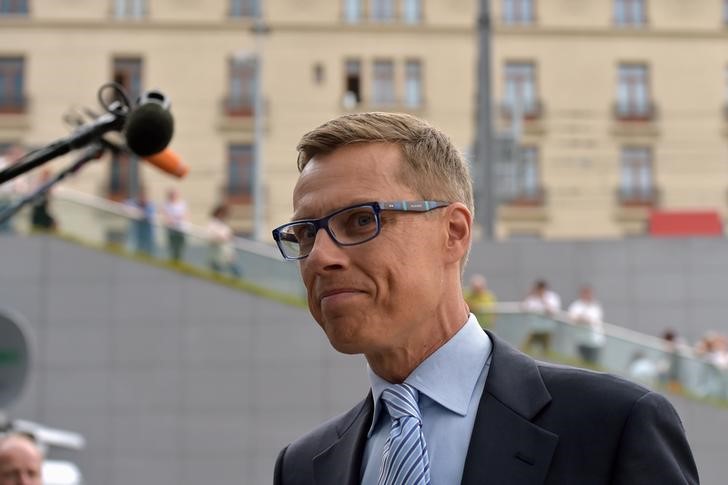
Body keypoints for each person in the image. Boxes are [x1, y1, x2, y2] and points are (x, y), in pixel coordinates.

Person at [271, 112, 698, 484]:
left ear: (453, 232)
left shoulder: (614, 427)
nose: (320, 256)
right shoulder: (303, 467)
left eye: (361, 220)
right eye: (305, 233)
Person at [520, 279, 561, 355]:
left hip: (547, 330)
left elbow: (553, 311)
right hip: (534, 329)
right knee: (524, 349)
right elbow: (524, 308)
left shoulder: (552, 297)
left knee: (547, 352)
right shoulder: (532, 297)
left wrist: (543, 299)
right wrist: (529, 294)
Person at [567, 285, 605, 365]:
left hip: (595, 342)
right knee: (581, 365)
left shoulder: (596, 306)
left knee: (593, 365)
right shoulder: (576, 305)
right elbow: (573, 318)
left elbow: (594, 321)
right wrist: (583, 319)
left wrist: (583, 319)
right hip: (581, 340)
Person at [206, 204, 241, 277]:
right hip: (216, 254)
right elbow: (209, 237)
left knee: (236, 272)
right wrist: (220, 238)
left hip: (227, 253)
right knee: (217, 273)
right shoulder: (212, 224)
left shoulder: (224, 225)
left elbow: (229, 237)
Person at [125, 188, 156, 256]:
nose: (143, 199)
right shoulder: (135, 202)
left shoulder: (150, 205)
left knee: (148, 248)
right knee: (138, 246)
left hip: (148, 232)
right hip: (137, 231)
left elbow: (149, 215)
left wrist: (140, 213)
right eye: (141, 197)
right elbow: (125, 205)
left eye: (144, 197)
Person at [161, 187, 187, 262]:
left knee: (180, 247)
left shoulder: (182, 204)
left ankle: (179, 261)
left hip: (181, 229)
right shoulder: (166, 204)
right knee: (172, 247)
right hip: (171, 230)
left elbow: (185, 215)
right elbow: (165, 216)